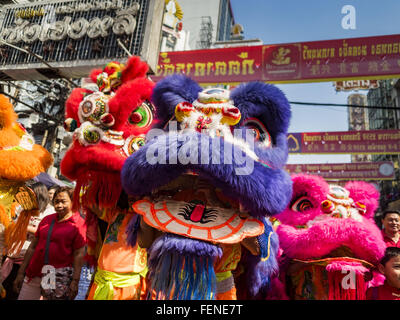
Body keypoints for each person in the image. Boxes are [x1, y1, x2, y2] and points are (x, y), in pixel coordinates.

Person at [13, 186, 86, 300]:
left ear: (73, 202)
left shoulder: (79, 224)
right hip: (34, 272)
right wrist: (21, 272)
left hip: (54, 275)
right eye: (56, 202)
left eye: (63, 201)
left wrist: (75, 281)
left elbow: (79, 254)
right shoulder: (47, 219)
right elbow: (32, 247)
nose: (59, 205)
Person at [1, 182, 51, 300]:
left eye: (30, 194)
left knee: (16, 293)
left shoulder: (49, 212)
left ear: (38, 195)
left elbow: (45, 232)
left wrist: (24, 227)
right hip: (11, 257)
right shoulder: (23, 208)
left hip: (28, 263)